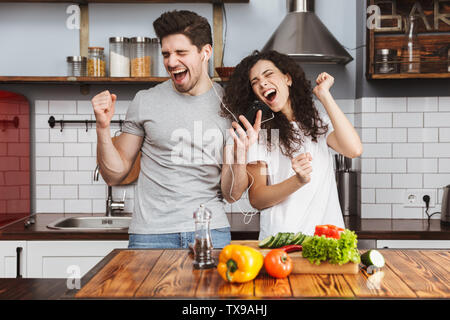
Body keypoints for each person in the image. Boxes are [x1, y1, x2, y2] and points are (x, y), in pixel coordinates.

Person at [91, 10, 259, 248]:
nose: (171, 62)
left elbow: (231, 194)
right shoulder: (145, 101)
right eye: (166, 54)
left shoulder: (230, 106)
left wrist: (240, 155)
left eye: (181, 53)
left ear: (205, 52)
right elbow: (113, 174)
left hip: (210, 233)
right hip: (150, 236)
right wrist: (102, 128)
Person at [222, 50, 363, 239]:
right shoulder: (259, 134)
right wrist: (297, 181)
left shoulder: (317, 124)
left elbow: (353, 149)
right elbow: (258, 198)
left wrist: (324, 95)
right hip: (280, 242)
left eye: (268, 74)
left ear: (287, 78)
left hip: (327, 240)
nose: (262, 83)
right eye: (255, 82)